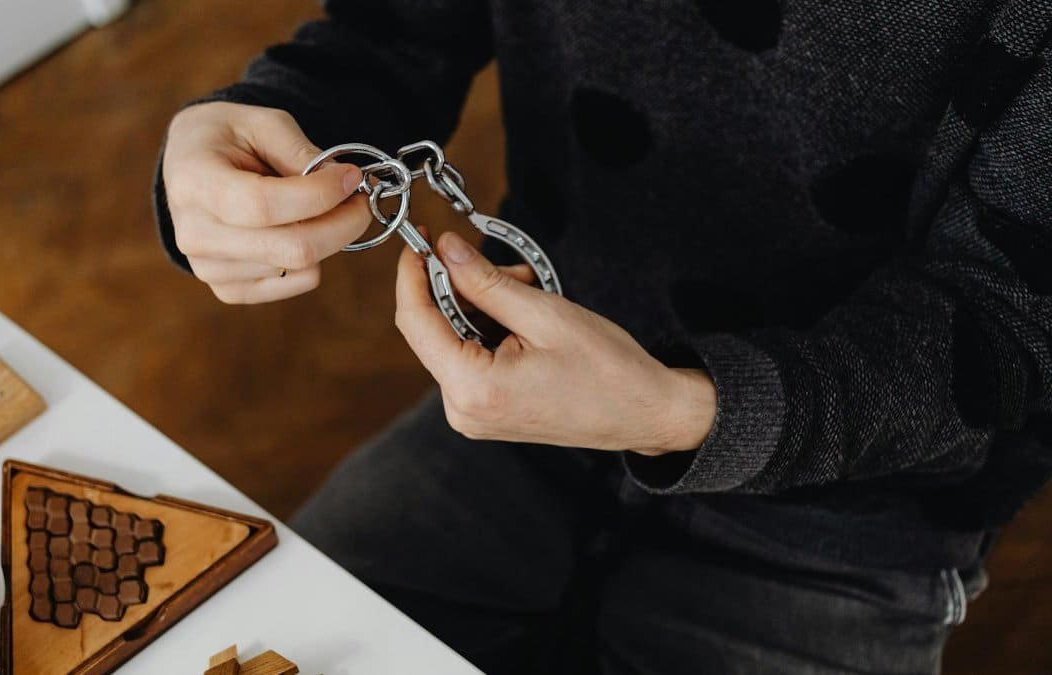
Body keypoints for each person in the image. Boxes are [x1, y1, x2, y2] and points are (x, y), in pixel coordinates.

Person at [153, 2, 1052, 673]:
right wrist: (245, 140)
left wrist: (678, 409)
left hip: (854, 516)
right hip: (516, 433)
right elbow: (392, 35)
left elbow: (1007, 333)